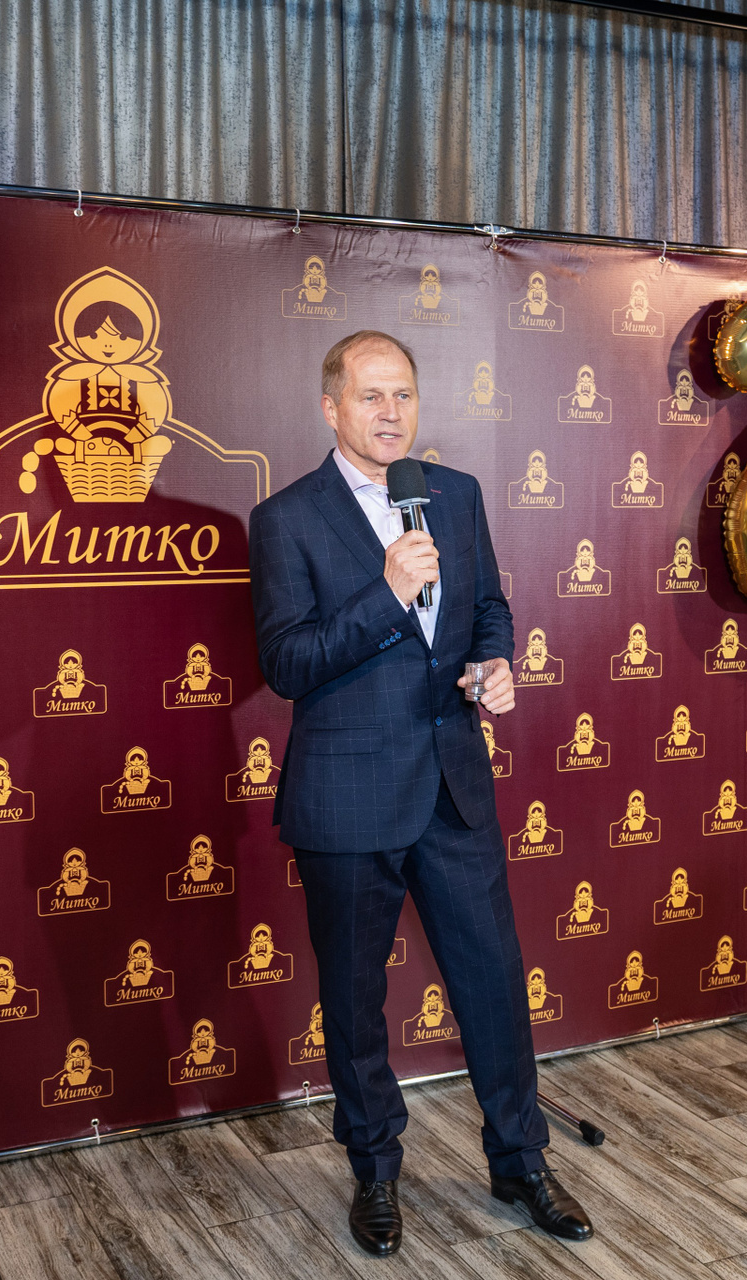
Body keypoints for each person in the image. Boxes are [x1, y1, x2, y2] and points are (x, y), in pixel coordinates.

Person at [249, 329, 591, 1256]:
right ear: (330, 407)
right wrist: (387, 593)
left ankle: (521, 1162)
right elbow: (286, 663)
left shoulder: (456, 494)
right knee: (355, 1001)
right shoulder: (287, 518)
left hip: (452, 787)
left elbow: (487, 609)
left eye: (402, 393)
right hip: (346, 798)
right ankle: (375, 1172)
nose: (390, 412)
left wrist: (492, 664)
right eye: (370, 396)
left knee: (494, 984)